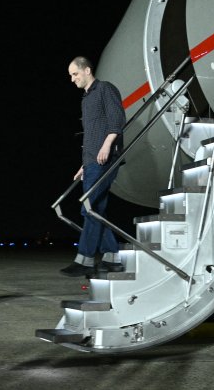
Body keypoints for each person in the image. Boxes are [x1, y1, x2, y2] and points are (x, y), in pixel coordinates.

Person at [60, 56, 127, 277]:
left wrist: (107, 146)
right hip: (91, 162)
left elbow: (117, 119)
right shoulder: (86, 99)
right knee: (96, 209)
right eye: (71, 75)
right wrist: (84, 164)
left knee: (87, 207)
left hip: (105, 159)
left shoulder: (105, 89)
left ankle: (85, 259)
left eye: (75, 74)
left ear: (87, 70)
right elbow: (92, 135)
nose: (72, 79)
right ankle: (112, 257)